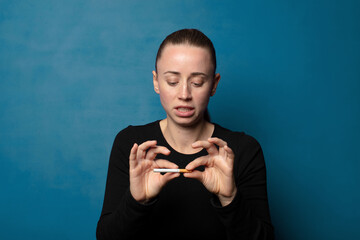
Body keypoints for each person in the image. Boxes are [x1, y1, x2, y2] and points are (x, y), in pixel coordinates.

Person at [96, 29, 274, 240]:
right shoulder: (132, 145)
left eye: (197, 83)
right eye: (172, 81)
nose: (184, 95)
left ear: (214, 84)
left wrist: (229, 198)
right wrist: (136, 201)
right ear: (156, 81)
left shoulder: (242, 150)